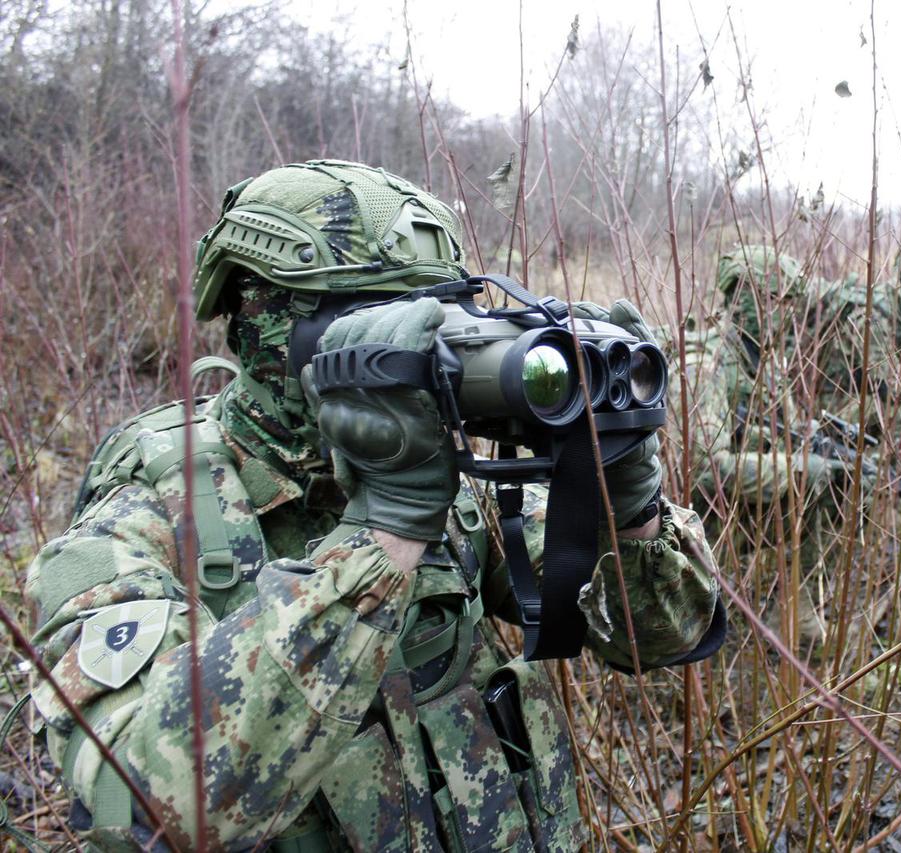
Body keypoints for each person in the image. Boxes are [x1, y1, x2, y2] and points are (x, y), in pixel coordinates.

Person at [22, 160, 723, 851]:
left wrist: (624, 501)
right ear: (260, 321)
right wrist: (386, 533)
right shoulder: (145, 517)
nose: (429, 353)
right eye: (384, 321)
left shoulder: (459, 487)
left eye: (443, 316)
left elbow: (661, 637)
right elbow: (142, 803)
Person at [670, 245, 876, 650]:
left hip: (743, 505)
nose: (782, 312)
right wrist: (797, 467)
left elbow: (785, 430)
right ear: (742, 299)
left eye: (788, 302)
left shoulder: (765, 363)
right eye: (771, 299)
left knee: (849, 479)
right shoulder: (707, 365)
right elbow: (706, 469)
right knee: (813, 474)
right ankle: (698, 616)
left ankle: (799, 609)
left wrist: (818, 441)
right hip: (696, 519)